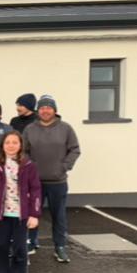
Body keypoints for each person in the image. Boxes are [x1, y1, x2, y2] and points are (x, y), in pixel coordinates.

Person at [22, 95, 81, 263]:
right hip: (35, 182)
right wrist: (29, 166)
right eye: (42, 108)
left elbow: (75, 150)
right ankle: (31, 242)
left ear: (54, 110)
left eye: (48, 107)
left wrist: (64, 166)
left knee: (59, 215)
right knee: (32, 214)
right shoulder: (30, 129)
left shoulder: (66, 128)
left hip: (58, 181)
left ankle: (60, 247)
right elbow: (24, 151)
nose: (45, 110)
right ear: (37, 110)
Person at [0, 131, 41, 273]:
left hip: (21, 215)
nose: (11, 145)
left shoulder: (29, 165)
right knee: (0, 246)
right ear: (2, 145)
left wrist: (34, 214)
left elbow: (36, 190)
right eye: (7, 142)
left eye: (14, 142)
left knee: (20, 248)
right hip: (2, 215)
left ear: (20, 145)